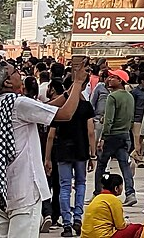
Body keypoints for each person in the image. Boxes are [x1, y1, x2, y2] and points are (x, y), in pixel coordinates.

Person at [0, 57, 94, 235]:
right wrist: (79, 82)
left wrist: (71, 90)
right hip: (25, 189)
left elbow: (43, 107)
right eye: (16, 71)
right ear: (8, 82)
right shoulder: (20, 104)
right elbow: (65, 114)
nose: (21, 74)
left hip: (3, 188)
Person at [44, 74, 95, 237]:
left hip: (63, 150)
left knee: (64, 187)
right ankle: (78, 217)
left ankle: (66, 223)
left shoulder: (60, 108)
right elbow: (90, 132)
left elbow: (51, 135)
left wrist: (47, 158)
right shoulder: (86, 106)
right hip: (81, 150)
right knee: (80, 183)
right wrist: (92, 154)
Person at [94, 70, 136, 201]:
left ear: (120, 81)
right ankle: (130, 193)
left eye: (114, 77)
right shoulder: (130, 97)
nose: (109, 79)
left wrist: (103, 138)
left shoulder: (112, 97)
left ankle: (98, 192)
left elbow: (109, 120)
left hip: (112, 135)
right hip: (124, 135)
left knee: (101, 165)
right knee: (125, 166)